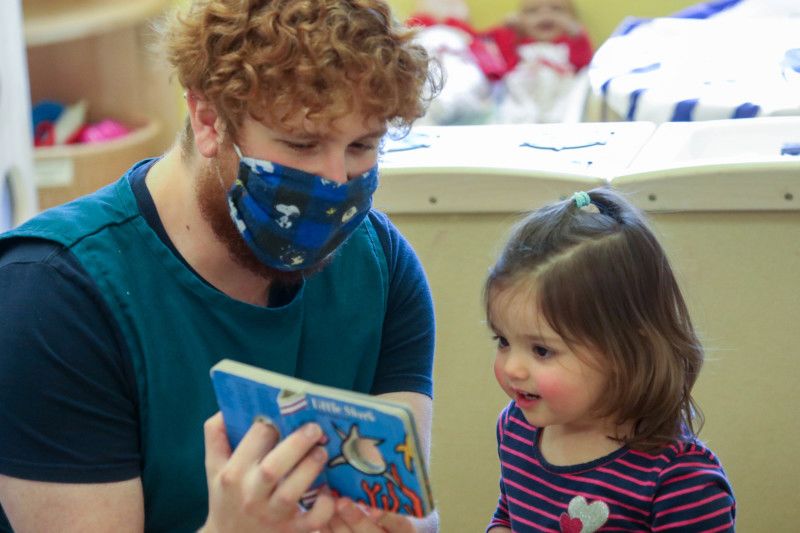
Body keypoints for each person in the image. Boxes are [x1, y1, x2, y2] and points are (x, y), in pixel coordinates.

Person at [0, 1, 442, 531]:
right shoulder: (53, 297)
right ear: (208, 118)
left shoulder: (381, 269)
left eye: (362, 145)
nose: (334, 180)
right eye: (301, 143)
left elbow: (409, 505)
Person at [484, 189, 736, 532]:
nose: (512, 367)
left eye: (542, 350)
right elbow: (507, 517)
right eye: (503, 341)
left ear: (624, 349)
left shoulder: (681, 481)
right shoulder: (515, 428)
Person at [485, 0, 593, 77]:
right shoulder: (520, 45)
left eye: (556, 9)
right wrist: (507, 30)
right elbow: (505, 63)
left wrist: (578, 36)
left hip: (563, 101)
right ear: (520, 20)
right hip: (525, 102)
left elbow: (582, 65)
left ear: (572, 18)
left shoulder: (569, 44)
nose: (545, 13)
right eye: (533, 11)